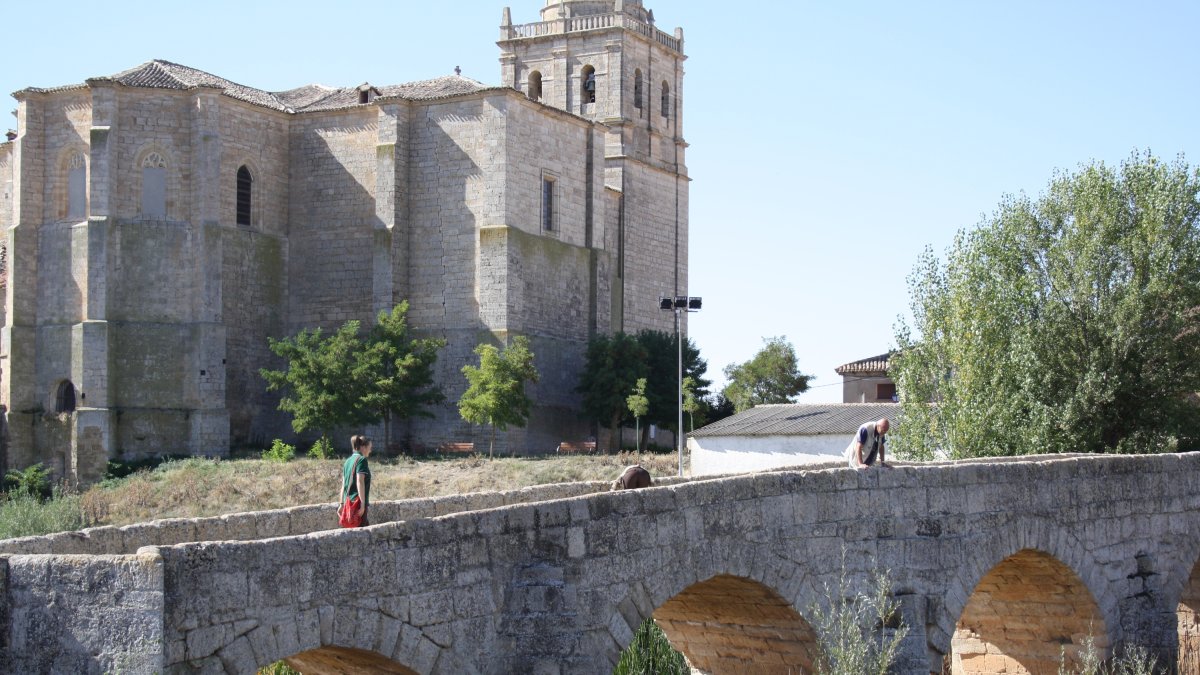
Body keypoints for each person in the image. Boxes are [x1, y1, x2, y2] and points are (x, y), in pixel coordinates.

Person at [340, 435, 373, 526]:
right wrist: (362, 504)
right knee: (361, 534)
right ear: (363, 447)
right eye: (369, 448)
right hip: (357, 504)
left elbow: (343, 485)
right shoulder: (362, 460)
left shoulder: (347, 461)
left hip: (348, 503)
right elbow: (360, 481)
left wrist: (341, 503)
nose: (370, 451)